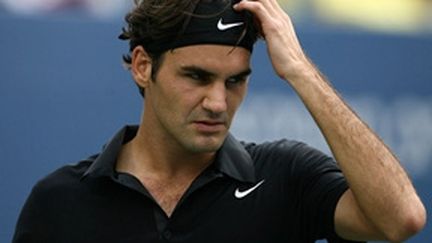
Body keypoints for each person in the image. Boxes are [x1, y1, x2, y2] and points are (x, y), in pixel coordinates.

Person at [13, 0, 426, 242]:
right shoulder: (59, 202)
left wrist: (300, 69)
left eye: (235, 81)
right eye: (197, 77)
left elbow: (401, 219)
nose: (217, 102)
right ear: (142, 66)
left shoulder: (284, 176)